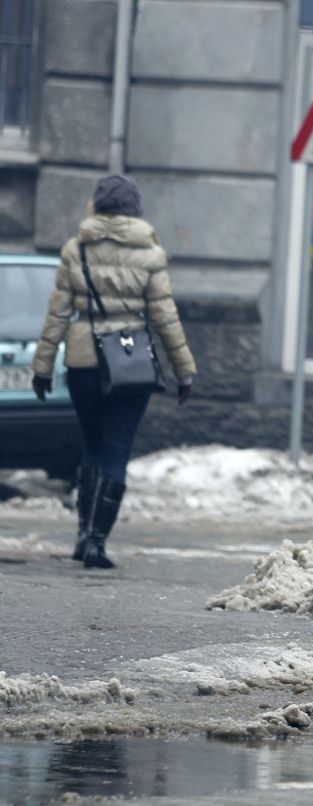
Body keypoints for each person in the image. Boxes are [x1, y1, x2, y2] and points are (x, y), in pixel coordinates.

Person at [31, 174, 196, 570]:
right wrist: (184, 369)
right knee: (116, 450)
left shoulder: (76, 249)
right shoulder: (150, 252)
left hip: (84, 361)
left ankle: (82, 536)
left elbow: (58, 312)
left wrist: (42, 365)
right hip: (130, 361)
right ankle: (97, 543)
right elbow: (164, 315)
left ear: (97, 207)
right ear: (134, 210)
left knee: (90, 445)